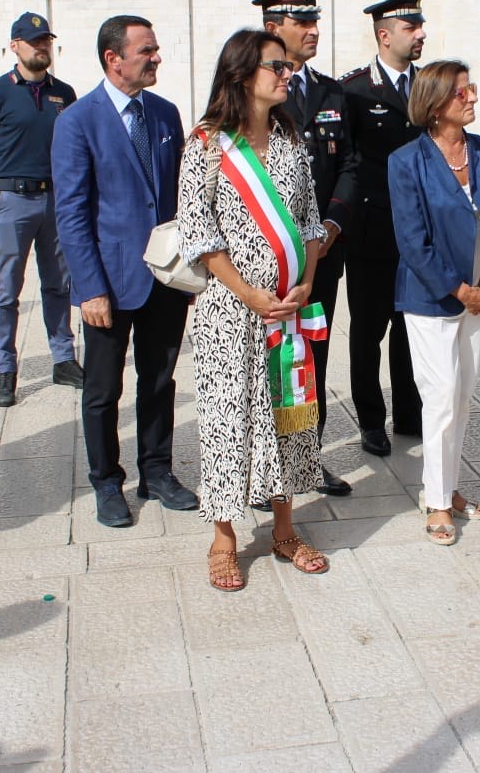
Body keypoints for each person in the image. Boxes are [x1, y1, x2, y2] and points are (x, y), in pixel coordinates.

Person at [178, 29, 329, 591]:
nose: (287, 75)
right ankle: (223, 537)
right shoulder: (206, 144)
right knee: (228, 419)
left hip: (287, 309)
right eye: (276, 67)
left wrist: (307, 280)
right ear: (242, 74)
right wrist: (249, 293)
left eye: (287, 67)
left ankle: (285, 528)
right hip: (231, 312)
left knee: (288, 414)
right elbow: (199, 231)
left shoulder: (291, 139)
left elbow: (311, 221)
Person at [52, 15, 198, 526]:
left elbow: (180, 197)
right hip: (108, 284)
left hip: (164, 279)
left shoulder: (163, 113)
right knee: (102, 389)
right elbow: (71, 214)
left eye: (156, 50)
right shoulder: (77, 121)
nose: (156, 58)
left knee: (158, 380)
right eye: (146, 51)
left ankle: (156, 472)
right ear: (114, 59)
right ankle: (106, 482)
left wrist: (190, 270)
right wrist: (89, 288)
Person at [389, 61, 480, 545]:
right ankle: (438, 502)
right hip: (432, 300)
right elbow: (412, 239)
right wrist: (457, 288)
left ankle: (449, 486)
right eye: (462, 92)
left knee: (462, 396)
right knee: (441, 396)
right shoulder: (407, 161)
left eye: (471, 91)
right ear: (434, 103)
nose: (472, 99)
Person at [256, 0, 355, 498]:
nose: (313, 28)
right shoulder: (252, 91)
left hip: (321, 255)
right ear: (274, 25)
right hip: (265, 259)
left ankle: (305, 461)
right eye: (302, 20)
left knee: (309, 358)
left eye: (316, 19)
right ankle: (262, 468)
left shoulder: (331, 92)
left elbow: (350, 165)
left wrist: (332, 225)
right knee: (264, 360)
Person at [0, 12, 82, 408]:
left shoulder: (64, 93)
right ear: (15, 45)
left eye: (46, 41)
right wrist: (3, 179)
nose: (41, 47)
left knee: (59, 283)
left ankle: (63, 358)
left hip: (56, 199)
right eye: (33, 41)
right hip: (14, 200)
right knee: (6, 289)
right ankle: (5, 368)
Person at [341, 0, 426, 456]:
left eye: (420, 26)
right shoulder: (353, 91)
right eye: (410, 27)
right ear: (384, 34)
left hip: (416, 232)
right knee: (369, 329)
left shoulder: (427, 85)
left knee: (409, 324)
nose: (420, 35)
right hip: (372, 231)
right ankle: (371, 418)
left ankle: (409, 412)